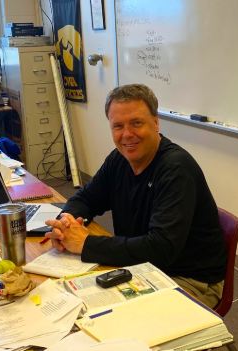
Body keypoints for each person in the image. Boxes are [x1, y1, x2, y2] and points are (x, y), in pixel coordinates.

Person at [44, 84, 228, 309]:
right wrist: (66, 225)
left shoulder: (175, 169)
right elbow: (86, 198)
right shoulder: (119, 159)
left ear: (156, 122)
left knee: (107, 318)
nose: (127, 134)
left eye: (136, 123)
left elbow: (160, 249)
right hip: (140, 265)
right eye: (118, 126)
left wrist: (85, 243)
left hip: (187, 278)